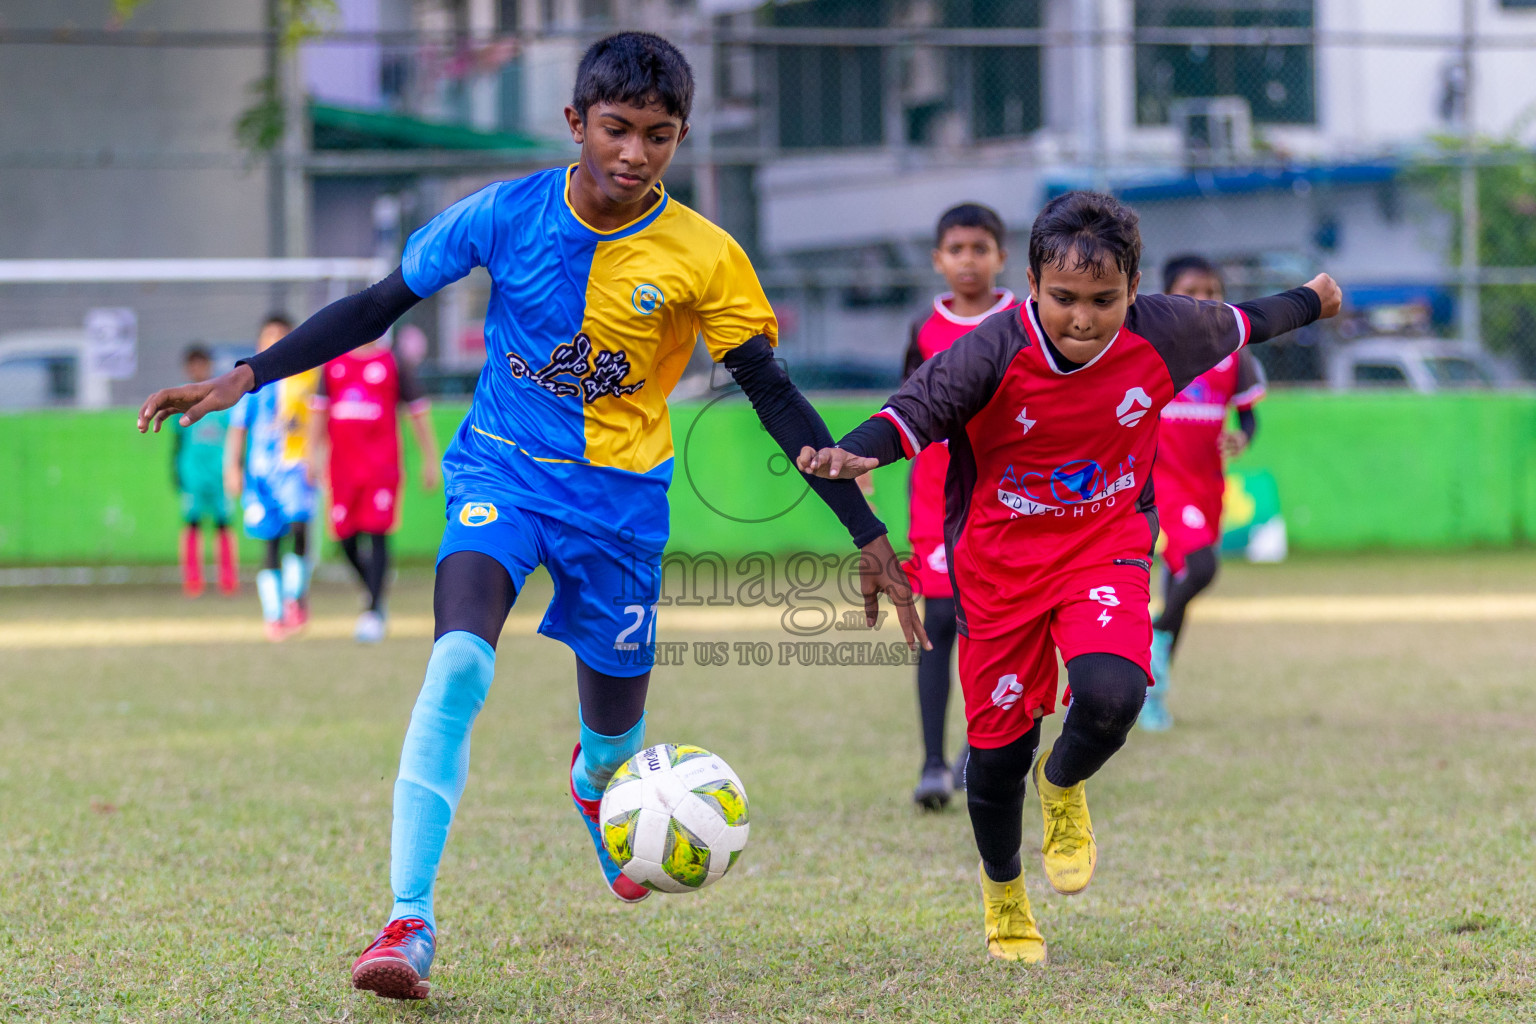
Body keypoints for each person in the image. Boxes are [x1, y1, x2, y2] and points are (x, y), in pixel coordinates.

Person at [138, 32, 922, 1002]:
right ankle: (407, 917)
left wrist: (869, 533)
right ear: (575, 123)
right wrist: (246, 378)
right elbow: (380, 304)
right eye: (616, 129)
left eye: (659, 136)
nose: (634, 154)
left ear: (679, 138)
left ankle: (595, 785)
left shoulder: (705, 257)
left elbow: (772, 394)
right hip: (499, 476)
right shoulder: (503, 215)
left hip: (622, 509)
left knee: (612, 739)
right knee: (460, 662)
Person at [798, 191, 1339, 963]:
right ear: (1031, 283)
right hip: (999, 568)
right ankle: (1006, 894)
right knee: (993, 763)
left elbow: (1247, 320)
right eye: (1063, 299)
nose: (1082, 319)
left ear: (1134, 288)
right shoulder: (991, 349)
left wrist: (1314, 299)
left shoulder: (1165, 330)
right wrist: (858, 450)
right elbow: (917, 407)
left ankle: (1063, 785)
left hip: (1104, 546)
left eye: (1102, 301)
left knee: (1117, 693)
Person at [904, 203, 1018, 810]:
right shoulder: (923, 330)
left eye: (980, 248)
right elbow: (909, 408)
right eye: (956, 249)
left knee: (994, 628)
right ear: (938, 260)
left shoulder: (1026, 319)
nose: (968, 260)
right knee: (941, 622)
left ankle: (982, 751)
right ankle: (932, 762)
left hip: (1008, 498)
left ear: (1002, 257)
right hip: (937, 499)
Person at [1140, 255, 1268, 731]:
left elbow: (1249, 415)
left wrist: (1243, 436)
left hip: (1207, 481)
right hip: (1163, 478)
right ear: (1169, 296)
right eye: (1194, 289)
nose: (1207, 300)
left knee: (1181, 585)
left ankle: (1152, 690)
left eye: (1214, 291)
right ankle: (1149, 644)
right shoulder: (1152, 346)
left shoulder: (1234, 350)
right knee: (1202, 566)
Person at [309, 337, 440, 643]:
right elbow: (318, 413)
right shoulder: (332, 365)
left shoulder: (393, 363)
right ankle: (373, 589)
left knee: (378, 533)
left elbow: (418, 412)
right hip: (341, 469)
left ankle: (373, 609)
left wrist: (429, 459)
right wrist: (310, 457)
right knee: (344, 537)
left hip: (381, 468)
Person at [224, 315, 320, 641]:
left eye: (282, 335)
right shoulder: (250, 386)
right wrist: (232, 468)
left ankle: (296, 597)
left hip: (295, 470)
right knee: (270, 542)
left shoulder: (307, 379)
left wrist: (317, 457)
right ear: (259, 344)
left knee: (300, 528)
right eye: (270, 336)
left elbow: (318, 422)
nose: (276, 341)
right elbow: (237, 431)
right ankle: (274, 614)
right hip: (261, 476)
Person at [171, 344, 238, 597]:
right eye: (193, 365)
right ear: (188, 369)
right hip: (193, 477)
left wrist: (235, 467)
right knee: (192, 525)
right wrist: (176, 472)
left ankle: (228, 579)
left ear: (209, 366)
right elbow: (176, 442)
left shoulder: (223, 398)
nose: (198, 369)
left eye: (202, 364)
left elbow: (234, 436)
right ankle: (193, 580)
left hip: (219, 476)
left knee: (224, 525)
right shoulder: (180, 401)